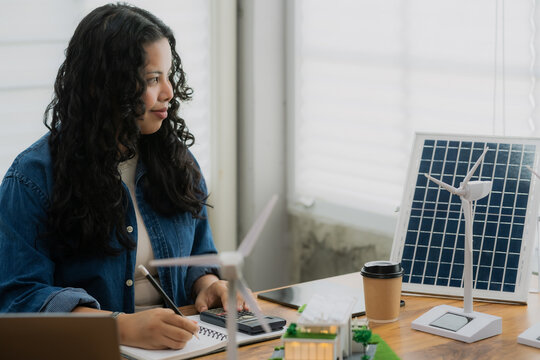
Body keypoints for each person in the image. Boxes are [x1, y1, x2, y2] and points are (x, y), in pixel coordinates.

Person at [0, 3, 245, 350]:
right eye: (152, 79)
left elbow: (198, 251)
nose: (169, 93)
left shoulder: (177, 161)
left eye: (169, 75)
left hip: (180, 350)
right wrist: (122, 328)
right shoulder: (31, 178)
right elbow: (18, 298)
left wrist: (206, 283)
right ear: (105, 87)